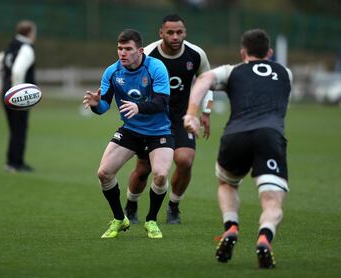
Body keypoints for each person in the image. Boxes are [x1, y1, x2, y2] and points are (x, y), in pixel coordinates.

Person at [184, 29, 292, 268]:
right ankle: (265, 235)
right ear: (270, 53)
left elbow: (204, 80)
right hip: (270, 136)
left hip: (235, 136)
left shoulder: (232, 71)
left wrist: (192, 114)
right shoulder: (286, 73)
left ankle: (231, 226)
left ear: (243, 52)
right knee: (272, 201)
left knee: (227, 182)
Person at [83, 29, 174, 239]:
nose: (122, 53)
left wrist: (139, 108)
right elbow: (104, 104)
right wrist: (97, 104)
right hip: (131, 130)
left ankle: (151, 220)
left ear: (140, 50)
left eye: (128, 49)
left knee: (160, 175)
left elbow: (162, 101)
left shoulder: (156, 67)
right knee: (104, 173)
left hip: (159, 130)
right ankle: (119, 218)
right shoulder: (112, 72)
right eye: (120, 48)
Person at [124, 14, 213, 224]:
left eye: (179, 32)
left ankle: (174, 206)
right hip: (152, 120)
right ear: (161, 33)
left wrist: (206, 112)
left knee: (185, 160)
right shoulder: (147, 54)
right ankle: (131, 204)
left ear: (185, 32)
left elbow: (207, 81)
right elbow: (129, 79)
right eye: (170, 32)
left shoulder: (196, 54)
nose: (175, 36)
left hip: (182, 118)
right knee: (144, 169)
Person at [0, 20, 37, 173]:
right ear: (30, 32)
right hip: (17, 97)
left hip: (6, 94)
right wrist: (19, 95)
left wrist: (1, 88)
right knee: (20, 129)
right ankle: (15, 164)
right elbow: (17, 71)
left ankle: (12, 161)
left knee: (14, 129)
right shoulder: (26, 48)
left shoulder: (11, 47)